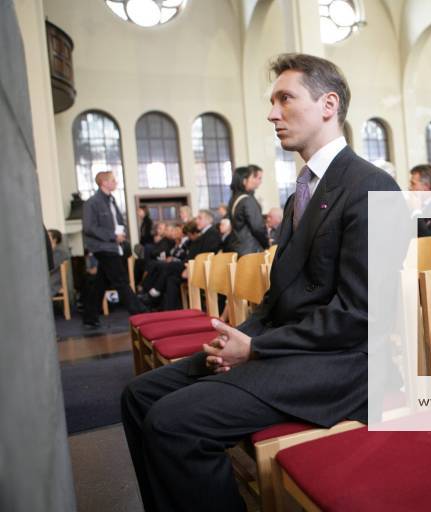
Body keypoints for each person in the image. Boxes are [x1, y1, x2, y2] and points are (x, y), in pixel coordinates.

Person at [122, 52, 399, 512]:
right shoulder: (300, 194)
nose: (272, 113)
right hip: (285, 348)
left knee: (175, 424)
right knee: (139, 396)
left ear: (328, 105)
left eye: (285, 99)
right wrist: (235, 339)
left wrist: (254, 350)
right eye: (272, 101)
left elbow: (361, 315)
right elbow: (276, 302)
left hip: (339, 366)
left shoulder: (372, 187)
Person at [81, 171, 147, 327]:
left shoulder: (111, 200)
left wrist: (121, 235)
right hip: (103, 247)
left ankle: (89, 317)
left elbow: (117, 222)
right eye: (112, 180)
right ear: (103, 182)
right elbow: (89, 228)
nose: (116, 182)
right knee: (120, 279)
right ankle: (140, 312)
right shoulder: (92, 203)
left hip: (114, 246)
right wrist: (112, 236)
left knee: (101, 283)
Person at [228, 165, 269, 255]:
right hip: (251, 250)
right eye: (252, 177)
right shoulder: (247, 200)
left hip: (237, 247)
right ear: (244, 180)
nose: (257, 181)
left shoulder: (233, 199)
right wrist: (267, 243)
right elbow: (257, 227)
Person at [47, 229, 71, 299]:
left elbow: (50, 268)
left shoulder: (60, 253)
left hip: (54, 282)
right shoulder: (49, 252)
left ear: (55, 239)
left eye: (48, 236)